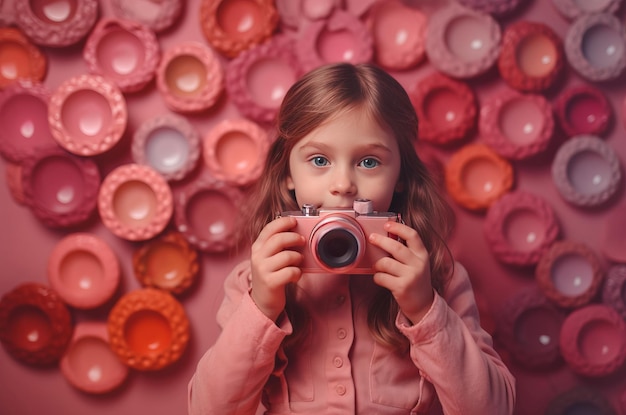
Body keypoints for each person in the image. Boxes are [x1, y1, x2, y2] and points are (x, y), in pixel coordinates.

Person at [188, 63, 516, 414]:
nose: (343, 183)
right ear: (287, 175)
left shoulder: (438, 277)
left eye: (369, 162)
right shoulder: (253, 281)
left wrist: (424, 309)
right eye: (319, 159)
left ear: (401, 176)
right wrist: (263, 308)